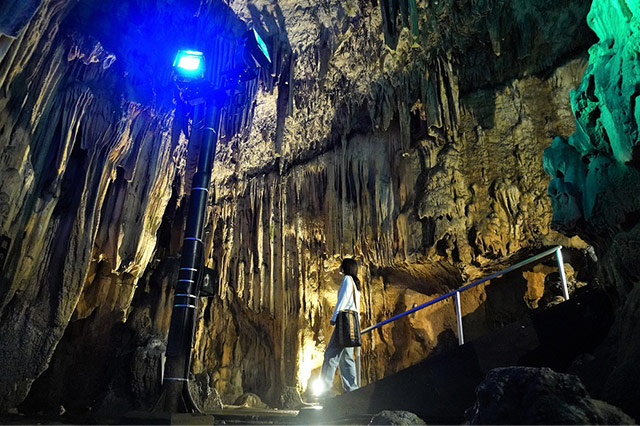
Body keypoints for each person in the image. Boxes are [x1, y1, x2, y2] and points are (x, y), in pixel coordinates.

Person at [320, 257, 361, 393]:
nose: (339, 267)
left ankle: (324, 390)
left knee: (331, 355)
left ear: (346, 267)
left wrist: (334, 317)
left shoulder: (347, 280)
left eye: (341, 265)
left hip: (344, 322)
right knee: (347, 357)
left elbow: (343, 300)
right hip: (352, 324)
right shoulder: (355, 284)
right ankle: (353, 389)